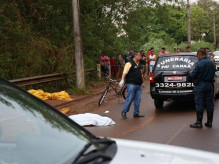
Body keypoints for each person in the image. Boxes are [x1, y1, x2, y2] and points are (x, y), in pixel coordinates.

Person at [189, 49, 216, 128]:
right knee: (209, 104)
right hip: (209, 85)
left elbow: (193, 75)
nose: (197, 57)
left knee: (199, 104)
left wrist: (191, 73)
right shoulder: (212, 63)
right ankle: (209, 122)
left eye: (197, 56)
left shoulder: (199, 64)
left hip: (200, 86)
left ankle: (198, 122)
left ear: (199, 55)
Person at [119, 51, 145, 119]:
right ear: (135, 56)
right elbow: (124, 72)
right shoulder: (129, 63)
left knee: (138, 99)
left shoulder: (140, 64)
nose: (141, 57)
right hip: (131, 84)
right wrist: (122, 80)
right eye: (139, 55)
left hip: (138, 84)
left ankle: (136, 113)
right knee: (129, 98)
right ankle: (124, 112)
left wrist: (143, 82)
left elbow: (141, 74)